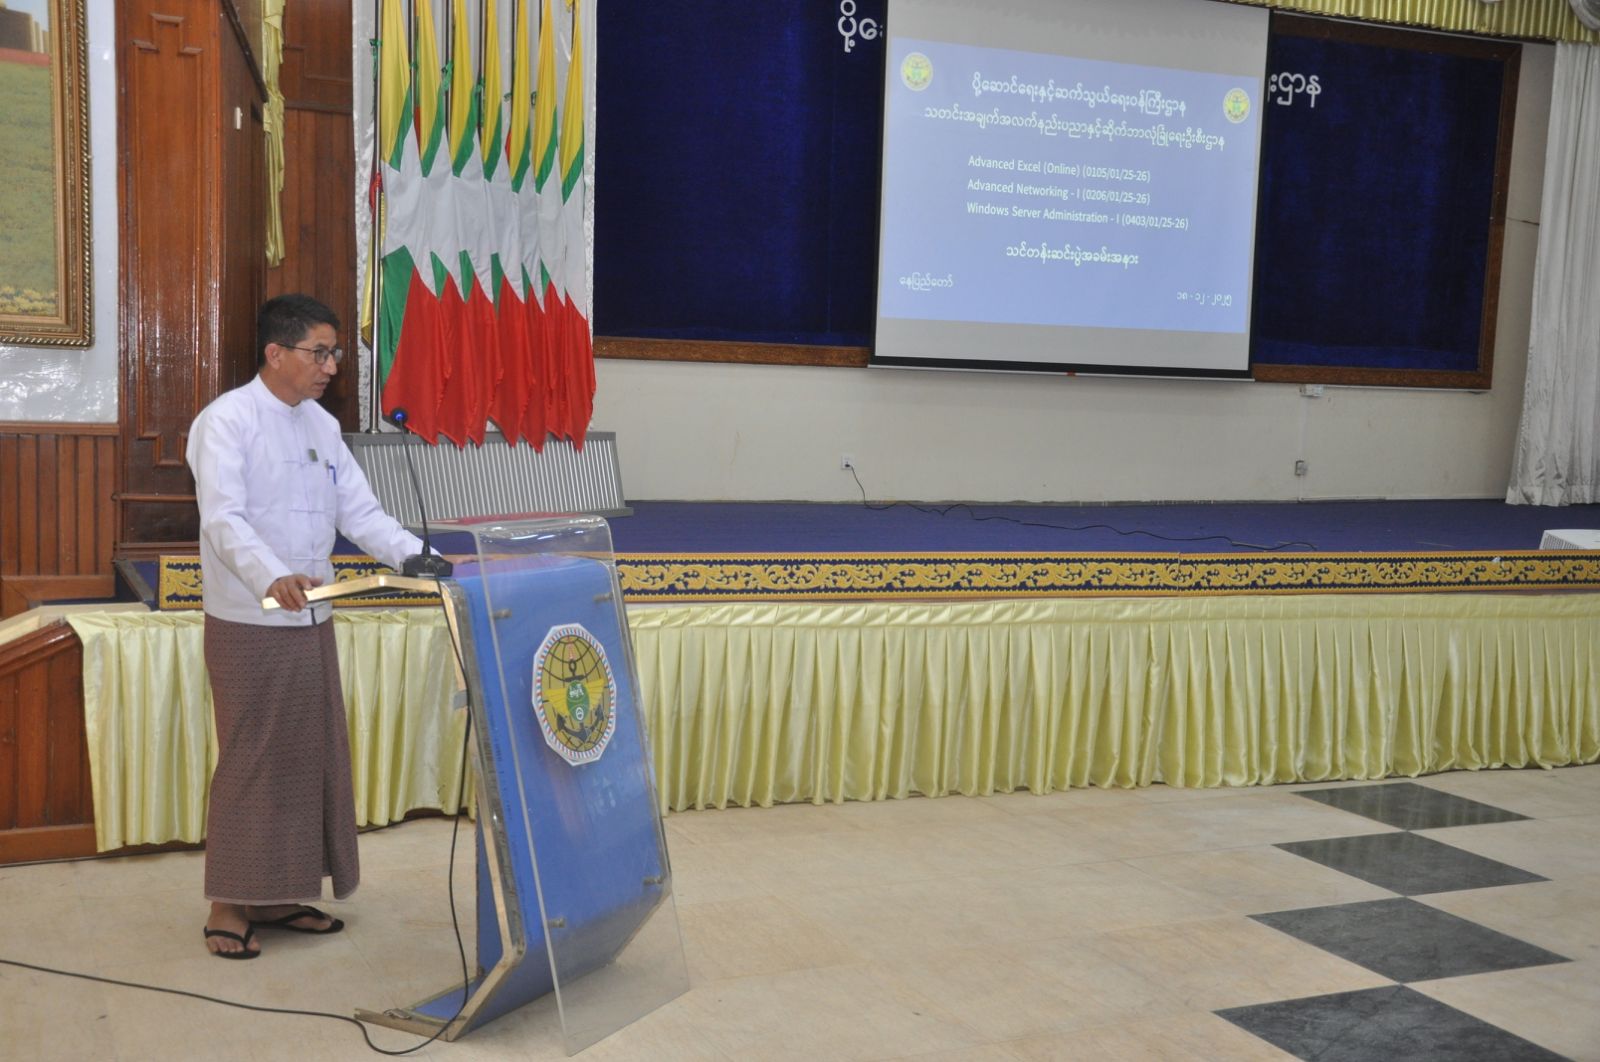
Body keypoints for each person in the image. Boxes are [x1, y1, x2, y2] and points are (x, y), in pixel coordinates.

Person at [186, 294, 425, 958]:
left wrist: (414, 555)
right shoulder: (226, 421)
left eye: (334, 353)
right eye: (320, 352)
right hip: (251, 618)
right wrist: (270, 576)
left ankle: (278, 892)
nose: (331, 366)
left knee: (304, 759)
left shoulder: (321, 424)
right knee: (253, 759)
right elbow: (224, 519)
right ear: (275, 353)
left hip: (314, 614)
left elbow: (361, 513)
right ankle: (228, 902)